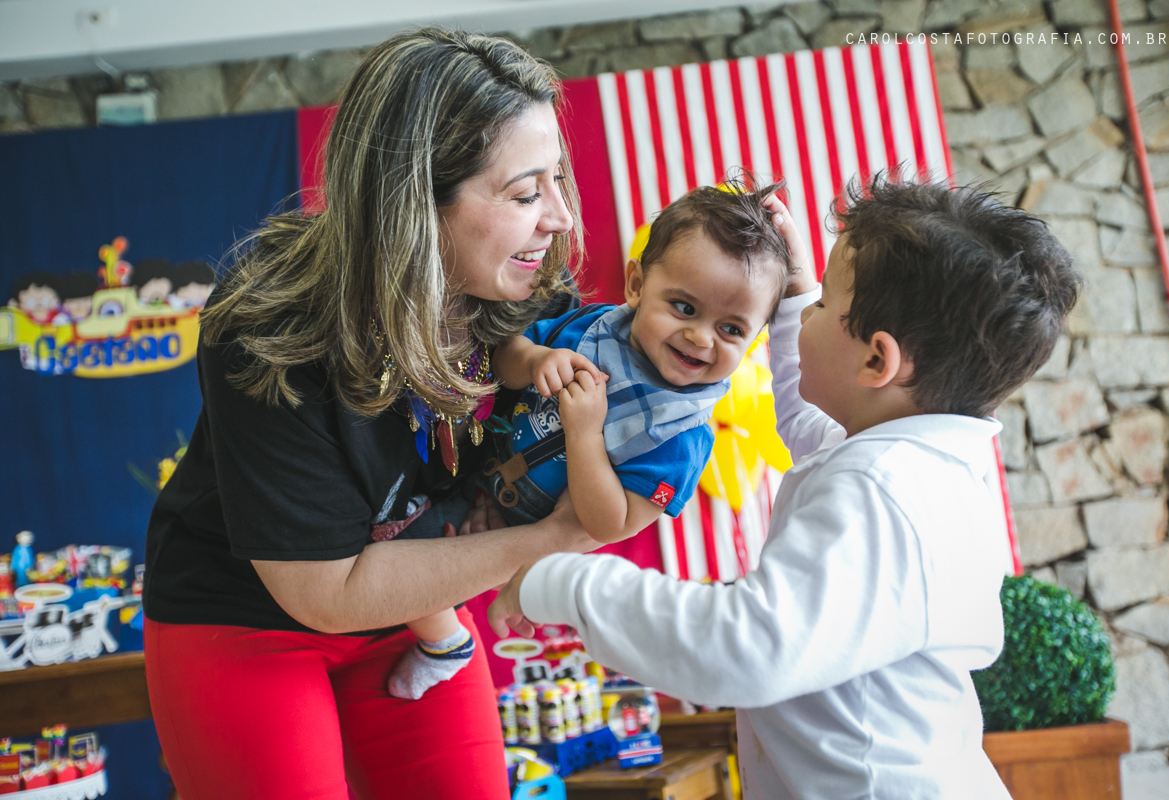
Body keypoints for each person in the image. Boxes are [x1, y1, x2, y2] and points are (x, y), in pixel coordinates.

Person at [490, 174, 1082, 799]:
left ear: (877, 362)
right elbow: (809, 420)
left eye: (823, 303)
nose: (801, 315)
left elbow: (741, 649)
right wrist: (800, 285)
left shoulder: (880, 490)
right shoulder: (919, 463)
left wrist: (555, 579)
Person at [142, 29, 598, 800]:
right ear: (415, 201)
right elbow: (327, 591)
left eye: (557, 180)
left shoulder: (520, 296)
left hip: (420, 611)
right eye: (525, 193)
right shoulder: (271, 321)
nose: (557, 216)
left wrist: (783, 302)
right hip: (249, 619)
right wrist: (551, 538)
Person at [389, 181, 795, 700]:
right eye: (684, 308)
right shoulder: (592, 328)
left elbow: (611, 523)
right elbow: (507, 353)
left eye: (732, 329)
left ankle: (446, 641)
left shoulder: (680, 437)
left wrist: (584, 435)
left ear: (758, 337)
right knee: (394, 543)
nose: (700, 337)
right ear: (636, 284)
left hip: (527, 536)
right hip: (474, 470)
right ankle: (442, 621)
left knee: (423, 560)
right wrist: (534, 362)